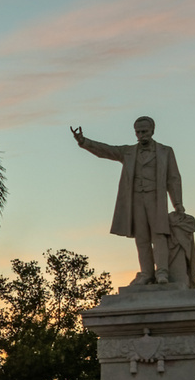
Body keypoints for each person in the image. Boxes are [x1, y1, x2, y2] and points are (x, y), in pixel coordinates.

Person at [71, 117, 184, 286]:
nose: (141, 135)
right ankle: (146, 273)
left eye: (144, 131)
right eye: (138, 132)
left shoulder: (165, 151)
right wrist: (84, 141)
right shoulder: (128, 152)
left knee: (159, 235)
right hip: (136, 199)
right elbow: (106, 151)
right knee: (142, 237)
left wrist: (178, 203)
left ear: (152, 130)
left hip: (156, 199)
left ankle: (162, 272)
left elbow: (173, 178)